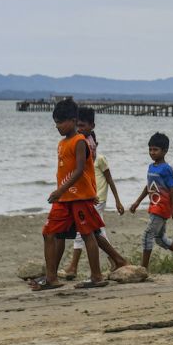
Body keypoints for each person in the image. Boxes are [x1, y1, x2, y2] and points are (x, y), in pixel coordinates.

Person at [33, 99, 108, 291]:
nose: (57, 126)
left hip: (80, 197)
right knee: (49, 232)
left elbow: (79, 169)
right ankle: (51, 277)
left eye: (61, 122)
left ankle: (97, 276)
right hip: (64, 199)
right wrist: (60, 192)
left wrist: (60, 190)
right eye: (56, 122)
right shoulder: (61, 143)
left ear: (73, 120)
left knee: (87, 234)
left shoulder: (79, 141)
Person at [62, 107, 126, 280]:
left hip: (92, 197)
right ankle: (116, 260)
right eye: (78, 125)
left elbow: (102, 177)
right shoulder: (82, 141)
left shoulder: (86, 144)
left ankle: (77, 268)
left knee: (87, 232)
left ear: (92, 126)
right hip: (87, 195)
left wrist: (117, 201)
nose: (79, 128)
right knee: (95, 231)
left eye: (82, 125)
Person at [129, 132, 173, 271]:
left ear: (164, 151)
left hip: (162, 207)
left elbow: (172, 189)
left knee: (148, 235)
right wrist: (137, 202)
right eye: (150, 149)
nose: (152, 152)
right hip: (154, 205)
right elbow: (149, 187)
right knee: (159, 238)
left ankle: (143, 268)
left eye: (155, 149)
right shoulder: (151, 167)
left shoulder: (166, 169)